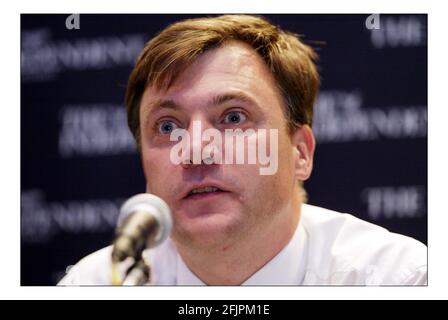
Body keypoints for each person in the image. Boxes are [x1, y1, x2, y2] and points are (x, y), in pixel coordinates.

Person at [59, 14, 427, 285]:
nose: (195, 151)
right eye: (168, 127)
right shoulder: (98, 285)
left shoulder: (398, 280)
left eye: (233, 118)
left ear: (300, 153)